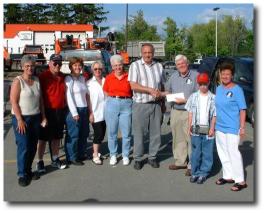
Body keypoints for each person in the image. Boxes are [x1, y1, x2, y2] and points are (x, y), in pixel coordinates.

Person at [128, 43, 167, 170]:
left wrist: (163, 102)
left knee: (156, 133)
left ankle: (152, 157)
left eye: (149, 52)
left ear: (153, 53)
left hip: (156, 104)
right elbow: (133, 85)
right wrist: (149, 90)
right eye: (145, 52)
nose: (147, 55)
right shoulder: (135, 65)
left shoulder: (159, 66)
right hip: (141, 105)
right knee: (139, 133)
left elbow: (162, 86)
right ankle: (138, 158)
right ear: (141, 53)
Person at [10, 55, 47, 187]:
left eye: (32, 66)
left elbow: (41, 100)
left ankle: (28, 171)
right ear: (22, 67)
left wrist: (43, 116)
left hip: (35, 117)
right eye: (27, 66)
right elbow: (13, 101)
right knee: (24, 146)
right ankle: (22, 174)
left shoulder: (36, 80)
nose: (30, 68)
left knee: (32, 146)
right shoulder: (18, 81)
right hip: (22, 118)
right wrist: (19, 119)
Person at [215, 59, 248, 191]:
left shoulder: (237, 89)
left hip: (233, 127)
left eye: (227, 74)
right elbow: (216, 109)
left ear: (232, 75)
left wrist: (242, 127)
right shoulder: (218, 89)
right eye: (223, 73)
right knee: (222, 152)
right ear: (220, 74)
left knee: (233, 152)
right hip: (219, 127)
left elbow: (242, 110)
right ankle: (228, 176)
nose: (225, 76)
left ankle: (240, 180)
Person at [166, 54, 198, 176]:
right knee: (178, 138)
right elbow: (168, 90)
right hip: (176, 111)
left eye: (183, 63)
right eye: (178, 64)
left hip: (190, 112)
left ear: (187, 63)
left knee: (190, 138)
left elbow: (200, 94)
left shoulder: (196, 76)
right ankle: (180, 162)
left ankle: (192, 164)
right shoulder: (173, 77)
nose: (181, 66)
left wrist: (185, 100)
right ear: (176, 66)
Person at [36, 54, 67, 172]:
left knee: (57, 137)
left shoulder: (63, 77)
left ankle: (55, 159)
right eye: (55, 63)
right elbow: (39, 97)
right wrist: (43, 116)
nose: (57, 65)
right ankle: (39, 161)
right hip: (46, 111)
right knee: (42, 139)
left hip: (59, 111)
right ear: (49, 64)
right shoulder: (42, 77)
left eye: (59, 63)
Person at [185, 73, 216, 184]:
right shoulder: (193, 96)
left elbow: (214, 115)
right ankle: (195, 172)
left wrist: (212, 128)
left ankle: (204, 173)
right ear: (198, 84)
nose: (203, 86)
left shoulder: (213, 98)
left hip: (208, 130)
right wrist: (189, 127)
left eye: (205, 84)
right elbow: (190, 113)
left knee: (207, 153)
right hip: (196, 130)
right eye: (201, 84)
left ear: (208, 83)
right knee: (196, 152)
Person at [103, 55, 132, 166]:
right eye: (115, 65)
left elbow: (132, 91)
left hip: (126, 103)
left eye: (119, 64)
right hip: (112, 103)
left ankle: (125, 155)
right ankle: (113, 154)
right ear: (112, 66)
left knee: (126, 132)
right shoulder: (109, 77)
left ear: (122, 65)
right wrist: (113, 100)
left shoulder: (128, 76)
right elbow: (106, 91)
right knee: (112, 132)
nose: (118, 67)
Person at [65, 57, 90, 166]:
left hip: (84, 109)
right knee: (74, 135)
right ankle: (72, 157)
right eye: (75, 65)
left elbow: (86, 94)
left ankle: (81, 154)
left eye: (79, 65)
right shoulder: (69, 79)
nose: (78, 67)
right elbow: (68, 96)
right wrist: (74, 112)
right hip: (74, 110)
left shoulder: (82, 78)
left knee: (84, 133)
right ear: (71, 67)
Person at [87, 61, 106, 165]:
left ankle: (97, 152)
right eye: (95, 69)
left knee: (102, 134)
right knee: (98, 134)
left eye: (99, 69)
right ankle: (95, 155)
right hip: (95, 113)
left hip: (106, 113)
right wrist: (90, 113)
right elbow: (88, 100)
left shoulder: (106, 81)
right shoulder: (89, 83)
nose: (98, 71)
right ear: (92, 70)